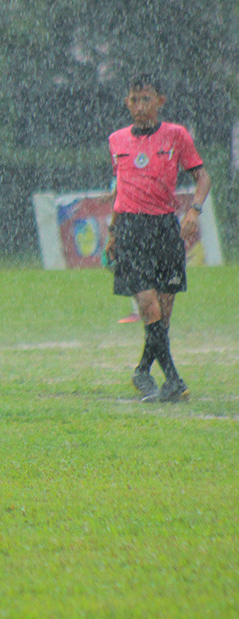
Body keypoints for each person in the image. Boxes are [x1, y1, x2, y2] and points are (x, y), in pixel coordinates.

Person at [104, 73, 211, 403]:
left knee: (163, 311)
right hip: (131, 230)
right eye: (134, 99)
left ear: (160, 101)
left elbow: (203, 176)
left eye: (146, 99)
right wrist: (112, 231)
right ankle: (175, 380)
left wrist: (194, 210)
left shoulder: (177, 136)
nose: (139, 106)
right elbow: (119, 188)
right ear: (127, 103)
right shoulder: (117, 140)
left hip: (165, 228)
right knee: (148, 304)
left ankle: (142, 371)